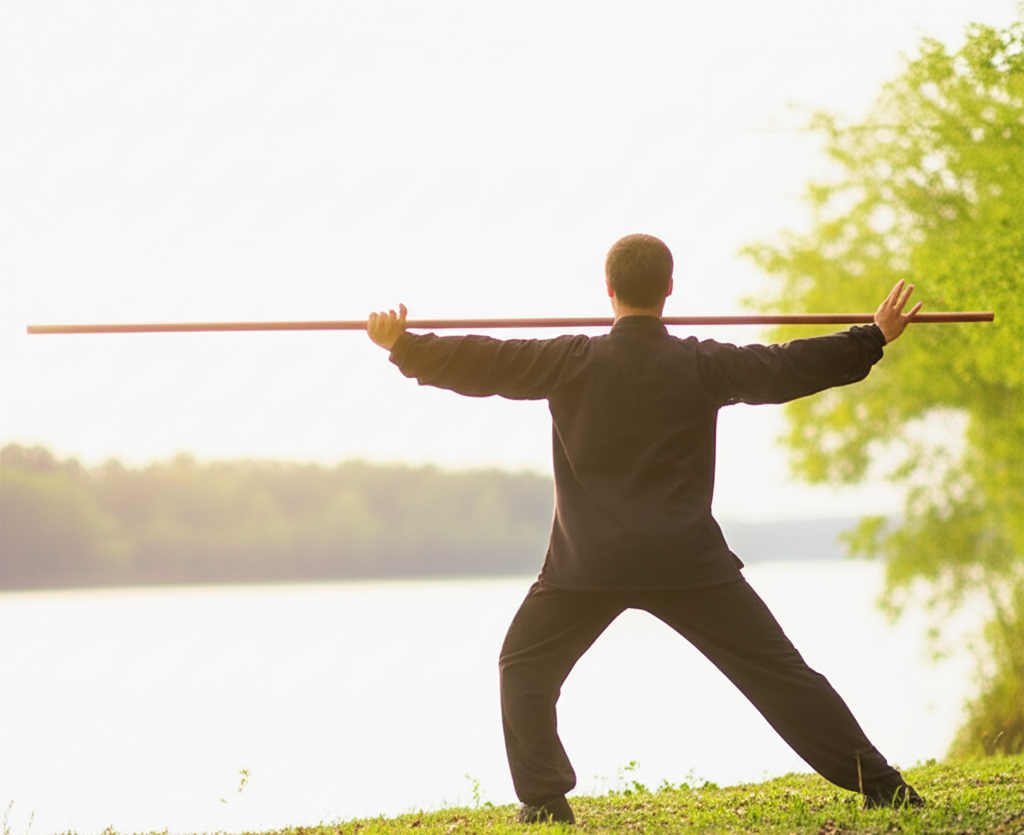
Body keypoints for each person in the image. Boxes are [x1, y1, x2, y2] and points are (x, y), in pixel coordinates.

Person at [366, 233, 925, 824]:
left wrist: (404, 346)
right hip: (684, 564)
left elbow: (487, 362)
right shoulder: (701, 362)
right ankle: (884, 787)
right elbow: (784, 367)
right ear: (669, 289)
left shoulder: (568, 359)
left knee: (523, 668)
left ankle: (544, 802)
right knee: (781, 676)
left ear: (608, 290)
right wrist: (873, 336)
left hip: (587, 567)